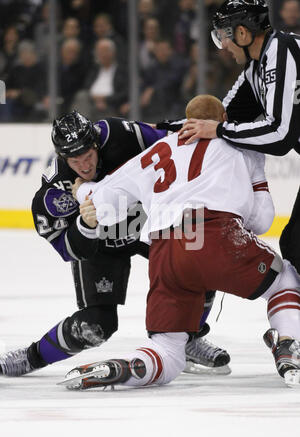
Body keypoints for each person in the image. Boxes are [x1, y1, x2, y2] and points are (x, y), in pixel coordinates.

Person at [58, 95, 300, 391]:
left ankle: (128, 367)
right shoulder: (242, 144)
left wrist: (83, 190)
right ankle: (288, 342)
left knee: (168, 349)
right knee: (285, 278)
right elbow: (262, 220)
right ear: (222, 119)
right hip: (213, 233)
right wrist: (253, 187)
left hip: (165, 249)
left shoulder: (159, 149)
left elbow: (105, 201)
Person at [0, 110, 229, 378]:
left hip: (147, 225)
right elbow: (69, 250)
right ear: (63, 158)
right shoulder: (54, 193)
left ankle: (189, 339)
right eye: (75, 161)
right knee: (96, 326)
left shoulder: (121, 135)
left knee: (200, 264)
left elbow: (173, 140)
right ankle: (32, 356)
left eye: (88, 156)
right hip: (101, 245)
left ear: (96, 144)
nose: (84, 167)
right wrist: (86, 225)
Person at [161, 0, 300, 277]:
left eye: (224, 35)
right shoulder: (256, 68)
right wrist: (159, 129)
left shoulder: (282, 52)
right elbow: (219, 118)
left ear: (243, 33)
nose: (223, 45)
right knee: (295, 243)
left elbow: (280, 134)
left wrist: (219, 131)